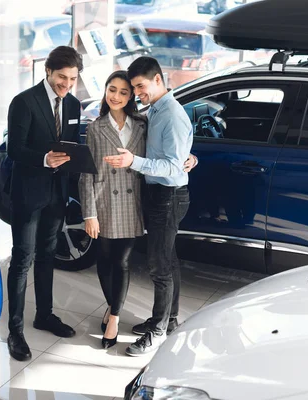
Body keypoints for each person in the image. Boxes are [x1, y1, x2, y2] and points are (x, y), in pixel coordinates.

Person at [103, 56, 193, 356]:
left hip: (169, 196)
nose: (137, 93)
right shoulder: (156, 109)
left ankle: (157, 332)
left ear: (158, 79)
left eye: (140, 87)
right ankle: (168, 320)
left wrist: (134, 162)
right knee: (168, 260)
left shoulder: (172, 116)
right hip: (160, 194)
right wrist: (191, 158)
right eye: (134, 88)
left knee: (159, 267)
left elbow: (171, 165)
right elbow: (180, 155)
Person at [6, 46, 83, 361]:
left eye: (72, 79)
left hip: (57, 193)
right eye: (62, 77)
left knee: (49, 255)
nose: (66, 84)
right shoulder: (24, 102)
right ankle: (15, 331)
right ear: (48, 72)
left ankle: (45, 315)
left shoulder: (74, 104)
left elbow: (72, 146)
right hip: (28, 193)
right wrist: (43, 159)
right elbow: (14, 149)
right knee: (23, 260)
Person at [78, 70, 147, 349]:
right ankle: (111, 305)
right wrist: (89, 213)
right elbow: (87, 173)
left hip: (133, 202)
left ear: (131, 96)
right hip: (104, 200)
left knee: (121, 261)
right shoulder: (96, 127)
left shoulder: (143, 124)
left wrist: (189, 157)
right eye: (112, 90)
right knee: (104, 260)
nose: (116, 96)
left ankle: (114, 317)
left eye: (123, 92)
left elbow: (161, 155)